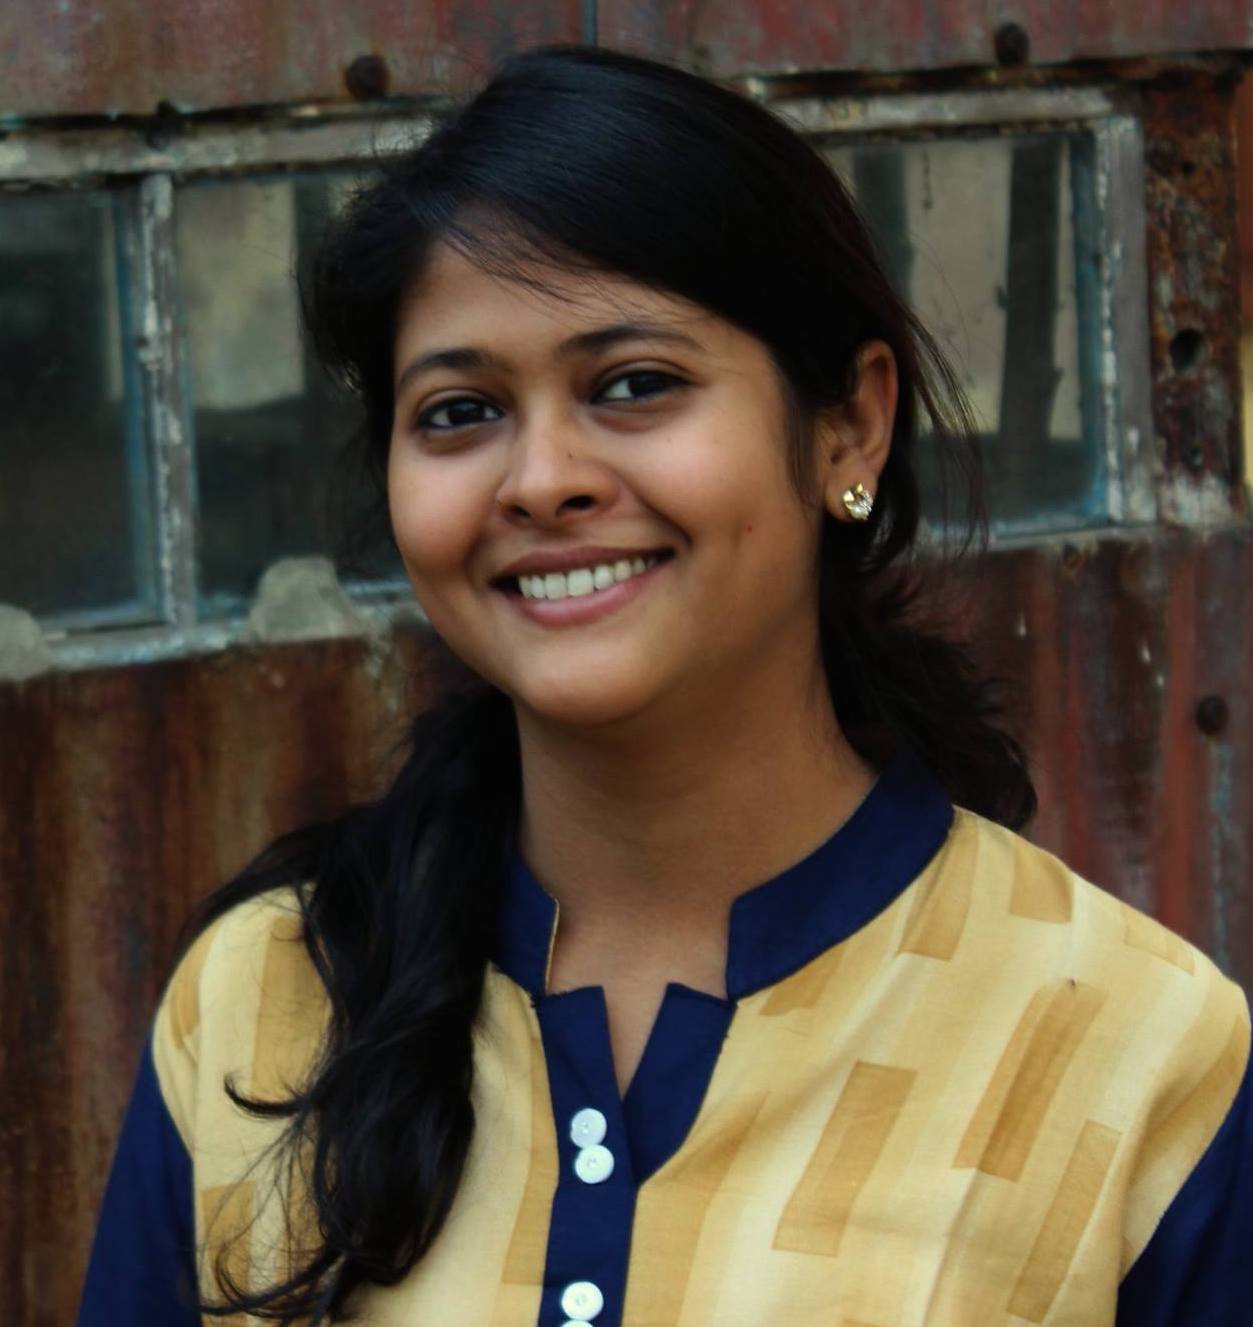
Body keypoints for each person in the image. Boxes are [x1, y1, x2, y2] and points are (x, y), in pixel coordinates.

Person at [78, 45, 1251, 1327]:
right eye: (460, 411)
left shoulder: (1134, 1058)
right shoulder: (259, 1003)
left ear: (850, 425)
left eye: (634, 385)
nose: (541, 480)